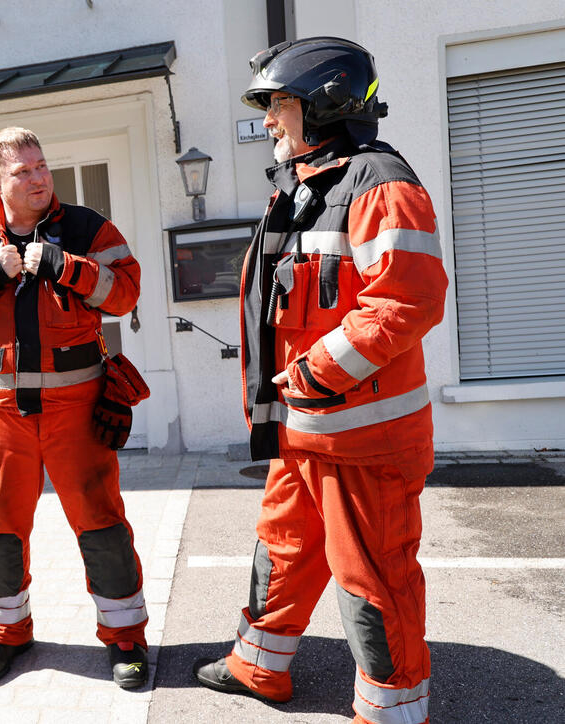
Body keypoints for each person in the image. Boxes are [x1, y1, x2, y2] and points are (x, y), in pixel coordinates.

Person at [190, 37, 448, 723]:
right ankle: (258, 667)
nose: (270, 121)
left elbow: (406, 301)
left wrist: (311, 373)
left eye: (279, 105)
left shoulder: (380, 185)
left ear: (324, 102)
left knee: (374, 583)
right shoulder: (304, 187)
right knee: (281, 549)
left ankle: (393, 711)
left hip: (362, 442)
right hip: (303, 431)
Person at [0, 127, 150, 689]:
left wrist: (65, 265)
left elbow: (125, 294)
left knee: (101, 524)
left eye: (42, 165)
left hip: (78, 406)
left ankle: (126, 639)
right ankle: (6, 634)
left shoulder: (87, 228)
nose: (40, 177)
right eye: (24, 171)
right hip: (1, 410)